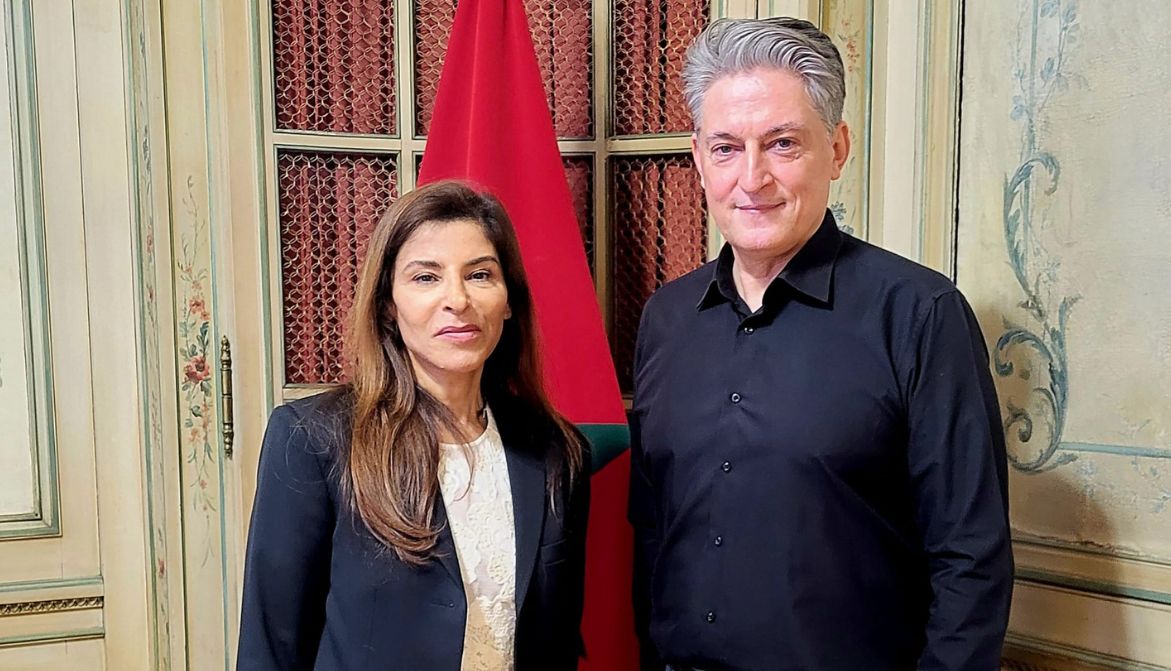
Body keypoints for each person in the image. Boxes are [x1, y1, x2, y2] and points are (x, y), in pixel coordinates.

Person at [628, 17, 1013, 671]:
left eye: (781, 144)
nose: (751, 178)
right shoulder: (665, 318)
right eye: (726, 148)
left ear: (836, 149)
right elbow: (652, 532)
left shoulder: (920, 315)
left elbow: (970, 561)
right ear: (697, 158)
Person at [238, 180, 589, 670]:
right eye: (426, 277)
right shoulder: (313, 439)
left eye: (480, 275)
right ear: (388, 303)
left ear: (509, 299)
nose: (457, 300)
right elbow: (271, 647)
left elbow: (556, 643)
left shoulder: (555, 450)